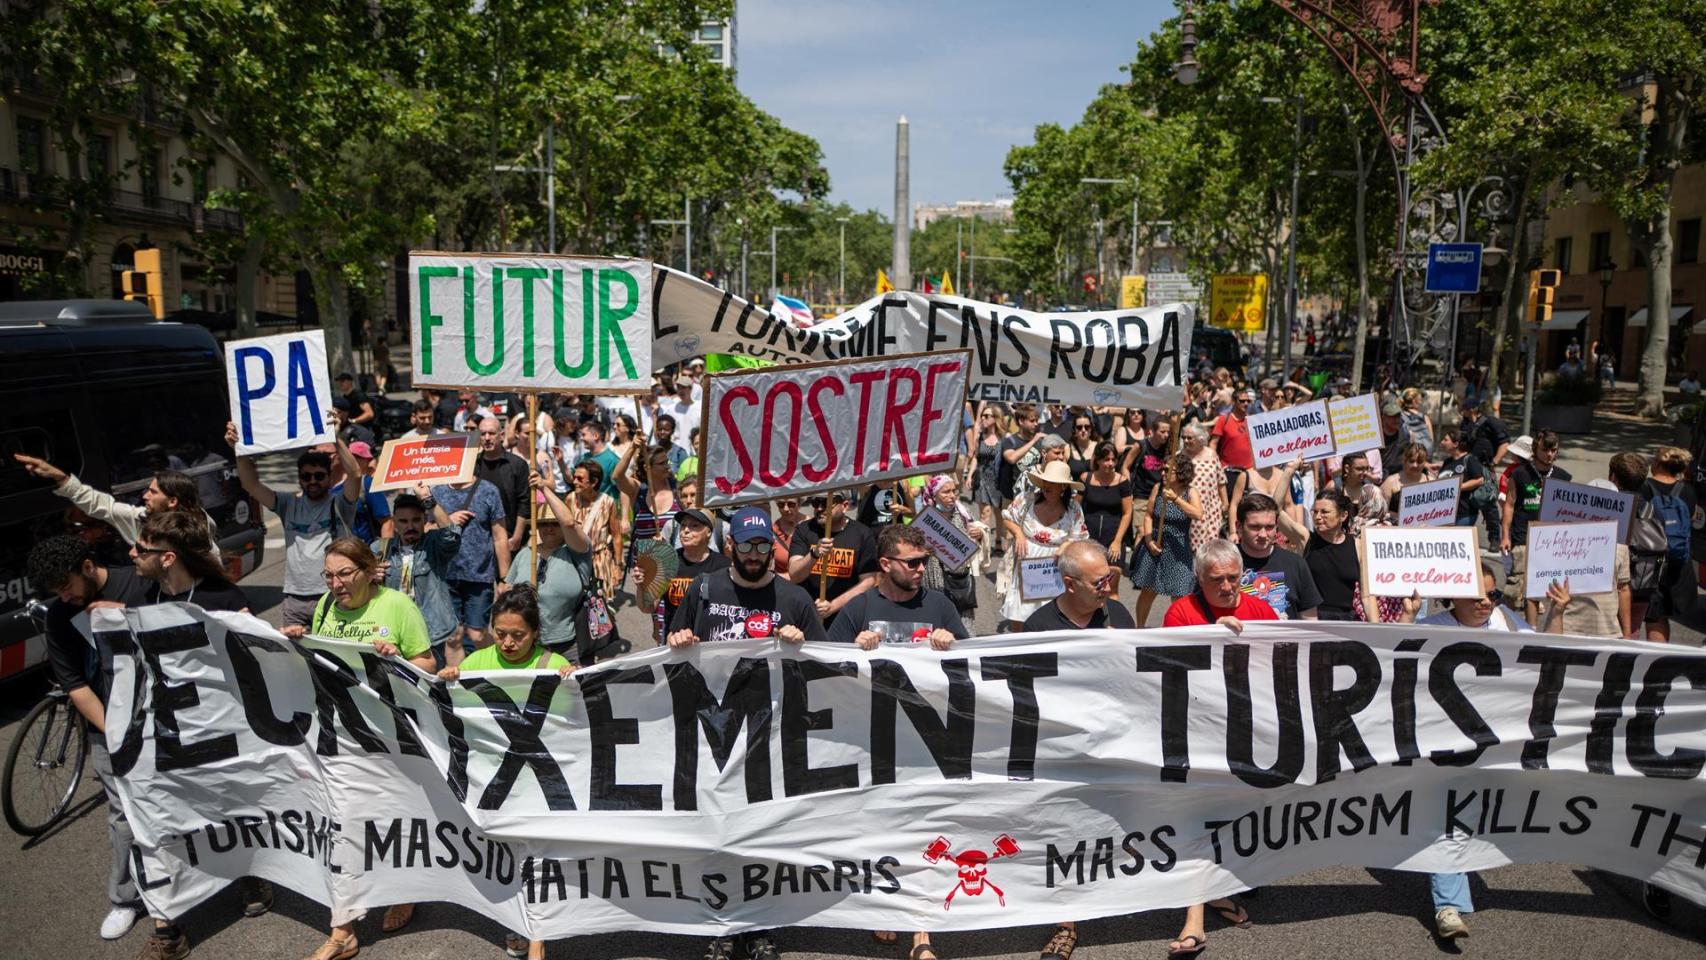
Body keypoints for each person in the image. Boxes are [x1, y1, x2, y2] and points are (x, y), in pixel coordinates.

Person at [668, 508, 821, 960]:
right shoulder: (705, 588)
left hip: (770, 736)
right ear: (730, 546)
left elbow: (828, 666)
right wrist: (679, 641)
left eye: (762, 546)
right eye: (745, 545)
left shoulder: (794, 599)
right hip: (714, 732)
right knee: (717, 834)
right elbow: (674, 646)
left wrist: (802, 643)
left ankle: (761, 925)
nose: (755, 555)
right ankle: (720, 926)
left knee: (763, 834)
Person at [294, 538, 433, 960]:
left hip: (390, 738)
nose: (335, 584)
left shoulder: (397, 606)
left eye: (345, 574)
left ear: (369, 570)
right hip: (340, 738)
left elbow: (427, 663)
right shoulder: (324, 608)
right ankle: (344, 930)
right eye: (329, 576)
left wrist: (397, 660)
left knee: (392, 819)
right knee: (342, 825)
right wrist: (297, 643)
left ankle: (404, 891)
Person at [433, 586, 574, 960]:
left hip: (539, 781)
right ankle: (519, 923)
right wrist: (449, 679)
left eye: (518, 635)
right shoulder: (477, 662)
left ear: (536, 633)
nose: (508, 643)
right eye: (501, 633)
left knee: (540, 856)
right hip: (495, 779)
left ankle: (538, 936)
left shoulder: (552, 664)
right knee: (508, 856)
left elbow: (578, 720)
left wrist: (576, 681)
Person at [31, 536, 154, 946]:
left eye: (65, 585)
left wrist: (129, 616)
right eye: (54, 592)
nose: (63, 596)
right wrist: (113, 732)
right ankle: (125, 899)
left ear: (87, 566)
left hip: (162, 717)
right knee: (122, 813)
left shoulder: (136, 584)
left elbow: (179, 626)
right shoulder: (58, 617)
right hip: (107, 731)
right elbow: (77, 686)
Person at [226, 421, 362, 630]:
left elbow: (355, 474)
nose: (312, 481)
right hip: (294, 600)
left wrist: (335, 438)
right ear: (299, 479)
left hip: (331, 595)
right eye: (306, 477)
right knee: (298, 660)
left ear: (329, 477)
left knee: (332, 659)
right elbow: (250, 484)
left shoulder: (340, 505)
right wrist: (239, 449)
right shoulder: (288, 504)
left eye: (319, 476)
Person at [13, 454, 220, 556]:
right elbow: (99, 504)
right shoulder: (139, 518)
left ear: (172, 501)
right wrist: (60, 477)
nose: (144, 495)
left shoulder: (199, 531)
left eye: (152, 492)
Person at [830, 524, 968, 647]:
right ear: (886, 564)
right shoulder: (859, 607)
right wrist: (855, 648)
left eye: (924, 560)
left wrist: (952, 644)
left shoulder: (941, 604)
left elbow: (969, 659)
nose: (921, 569)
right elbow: (829, 662)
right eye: (912, 563)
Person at [506, 476, 595, 658]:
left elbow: (569, 523)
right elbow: (507, 590)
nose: (549, 528)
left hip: (570, 644)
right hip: (529, 644)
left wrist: (544, 489)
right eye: (543, 524)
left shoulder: (577, 551)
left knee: (573, 687)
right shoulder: (525, 554)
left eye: (555, 523)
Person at [373, 488, 463, 667]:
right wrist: (371, 576)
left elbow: (452, 535)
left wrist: (429, 500)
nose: (410, 526)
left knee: (430, 681)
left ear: (424, 519)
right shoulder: (379, 549)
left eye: (415, 520)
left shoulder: (433, 544)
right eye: (403, 521)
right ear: (394, 523)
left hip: (429, 628)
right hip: (393, 627)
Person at [431, 470, 510, 664]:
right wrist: (448, 521)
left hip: (479, 576)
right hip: (446, 575)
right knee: (453, 637)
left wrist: (504, 579)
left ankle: (499, 664)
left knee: (477, 635)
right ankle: (459, 685)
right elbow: (427, 531)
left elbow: (500, 537)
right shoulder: (437, 491)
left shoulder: (488, 491)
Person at [1001, 460, 1090, 629]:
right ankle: (1019, 647)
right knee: (1021, 610)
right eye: (1045, 481)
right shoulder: (1027, 499)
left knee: (1053, 613)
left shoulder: (1073, 509)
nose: (1046, 486)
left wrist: (1065, 547)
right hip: (1027, 564)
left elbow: (1080, 537)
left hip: (1055, 569)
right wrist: (1018, 533)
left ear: (1063, 487)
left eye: (1053, 483)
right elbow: (1007, 518)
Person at [1502, 429, 1570, 623]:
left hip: (1551, 539)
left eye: (1553, 450)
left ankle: (1532, 628)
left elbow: (1568, 511)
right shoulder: (1520, 474)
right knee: (1515, 588)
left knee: (1539, 587)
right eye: (1544, 449)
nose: (1549, 454)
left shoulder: (1562, 477)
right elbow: (1509, 504)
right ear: (1535, 449)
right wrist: (1505, 535)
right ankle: (1506, 623)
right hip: (1523, 535)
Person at [788, 489, 880, 627]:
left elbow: (869, 581)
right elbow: (794, 575)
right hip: (807, 615)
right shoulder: (804, 529)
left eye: (826, 503)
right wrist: (814, 555)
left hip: (845, 616)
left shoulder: (862, 534)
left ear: (845, 506)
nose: (819, 508)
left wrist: (832, 606)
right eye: (815, 502)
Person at [1131, 453, 1201, 624]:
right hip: (1156, 545)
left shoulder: (1190, 492)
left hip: (1178, 548)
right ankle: (1139, 628)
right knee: (1148, 591)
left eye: (1169, 470)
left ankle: (1174, 631)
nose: (1163, 473)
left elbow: (1197, 514)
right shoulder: (1157, 488)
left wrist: (1176, 499)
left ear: (1181, 473)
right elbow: (1148, 516)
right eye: (1163, 469)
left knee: (1179, 593)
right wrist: (1149, 541)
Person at [131, 511, 250, 611]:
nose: (132, 553)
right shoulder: (140, 603)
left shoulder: (227, 601)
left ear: (168, 559)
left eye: (141, 549)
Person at [1639, 445, 1697, 642]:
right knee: (1664, 615)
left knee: (1654, 618)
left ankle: (1654, 667)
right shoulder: (1687, 491)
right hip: (1679, 565)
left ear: (1657, 463)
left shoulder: (1645, 488)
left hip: (1651, 565)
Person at [1233, 492, 1321, 619]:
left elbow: (1310, 619)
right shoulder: (1223, 563)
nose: (1263, 534)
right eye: (1255, 527)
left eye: (1269, 527)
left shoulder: (1296, 564)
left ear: (1277, 527)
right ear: (1239, 527)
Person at [652, 507, 731, 643]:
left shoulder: (723, 566)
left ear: (708, 532)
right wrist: (644, 585)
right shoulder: (668, 562)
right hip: (676, 641)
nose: (686, 530)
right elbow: (649, 606)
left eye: (694, 526)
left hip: (711, 643)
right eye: (683, 525)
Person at [1026, 539, 1136, 630]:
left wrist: (1120, 645)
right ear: (1070, 585)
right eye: (1099, 583)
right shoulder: (1038, 628)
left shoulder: (1118, 614)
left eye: (1109, 577)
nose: (1108, 588)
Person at [915, 475, 983, 617]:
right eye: (946, 492)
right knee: (937, 615)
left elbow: (976, 534)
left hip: (959, 579)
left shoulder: (963, 514)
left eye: (954, 491)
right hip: (933, 575)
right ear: (934, 494)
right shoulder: (926, 518)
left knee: (962, 619)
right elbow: (912, 548)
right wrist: (922, 550)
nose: (952, 496)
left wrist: (980, 534)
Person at [475, 416, 533, 556]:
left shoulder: (517, 465)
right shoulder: (472, 465)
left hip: (509, 537)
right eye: (483, 434)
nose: (487, 438)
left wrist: (517, 536)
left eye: (491, 433)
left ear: (501, 436)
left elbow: (524, 503)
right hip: (479, 539)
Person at [564, 459, 621, 595]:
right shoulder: (570, 499)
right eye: (574, 477)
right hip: (575, 560)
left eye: (580, 479)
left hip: (600, 560)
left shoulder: (608, 502)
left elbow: (617, 536)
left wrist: (617, 566)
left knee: (600, 606)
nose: (575, 482)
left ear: (594, 482)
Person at [1303, 490, 1361, 621]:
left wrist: (1375, 630)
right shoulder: (1306, 539)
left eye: (1324, 512)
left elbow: (1367, 596)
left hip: (1348, 621)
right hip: (1314, 619)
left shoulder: (1357, 546)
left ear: (1343, 515)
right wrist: (1289, 470)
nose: (1317, 517)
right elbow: (1276, 510)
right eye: (1315, 511)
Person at [1080, 442, 1133, 565]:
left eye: (1113, 460)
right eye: (1106, 459)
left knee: (1113, 574)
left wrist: (1117, 541)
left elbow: (1127, 513)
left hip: (1114, 537)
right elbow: (1076, 508)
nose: (1110, 464)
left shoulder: (1122, 482)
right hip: (1088, 537)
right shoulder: (1085, 478)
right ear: (1097, 460)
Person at [1179, 423, 1229, 548]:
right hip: (1188, 507)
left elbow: (1220, 481)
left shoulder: (1211, 454)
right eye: (1184, 437)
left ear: (1200, 438)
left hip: (1211, 508)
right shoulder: (1179, 456)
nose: (1186, 441)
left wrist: (1225, 503)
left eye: (1190, 438)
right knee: (1190, 546)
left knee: (1210, 546)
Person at [334, 440, 393, 541]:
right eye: (351, 456)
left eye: (358, 457)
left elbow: (387, 522)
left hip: (364, 551)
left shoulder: (367, 483)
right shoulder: (332, 483)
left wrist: (385, 554)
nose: (353, 460)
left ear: (367, 461)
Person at [1435, 429, 1488, 531]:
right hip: (1444, 513)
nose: (1442, 442)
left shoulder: (1469, 460)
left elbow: (1479, 480)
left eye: (1445, 440)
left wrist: (1457, 487)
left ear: (1455, 444)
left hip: (1464, 513)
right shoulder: (1448, 461)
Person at [1210, 387, 1256, 471]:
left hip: (1250, 470)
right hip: (1228, 470)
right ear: (1233, 401)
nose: (1246, 403)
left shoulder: (1252, 420)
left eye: (1248, 401)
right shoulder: (1223, 420)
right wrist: (1215, 464)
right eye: (1242, 401)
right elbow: (1213, 444)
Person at [576, 419, 621, 498]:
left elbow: (622, 489)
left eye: (584, 435)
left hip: (605, 508)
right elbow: (571, 479)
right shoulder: (584, 457)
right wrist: (561, 461)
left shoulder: (612, 460)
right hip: (585, 507)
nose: (581, 438)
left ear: (596, 436)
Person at [1064, 411, 1100, 482]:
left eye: (1087, 427)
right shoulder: (1067, 448)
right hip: (1073, 491)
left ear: (1091, 429)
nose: (1083, 430)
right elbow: (1063, 473)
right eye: (1079, 427)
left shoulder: (1098, 447)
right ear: (1074, 430)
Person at [1398, 387, 1434, 452]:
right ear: (1415, 401)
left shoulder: (1400, 417)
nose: (1420, 402)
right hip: (1424, 454)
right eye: (1420, 400)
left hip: (1409, 454)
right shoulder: (1424, 418)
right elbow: (1431, 439)